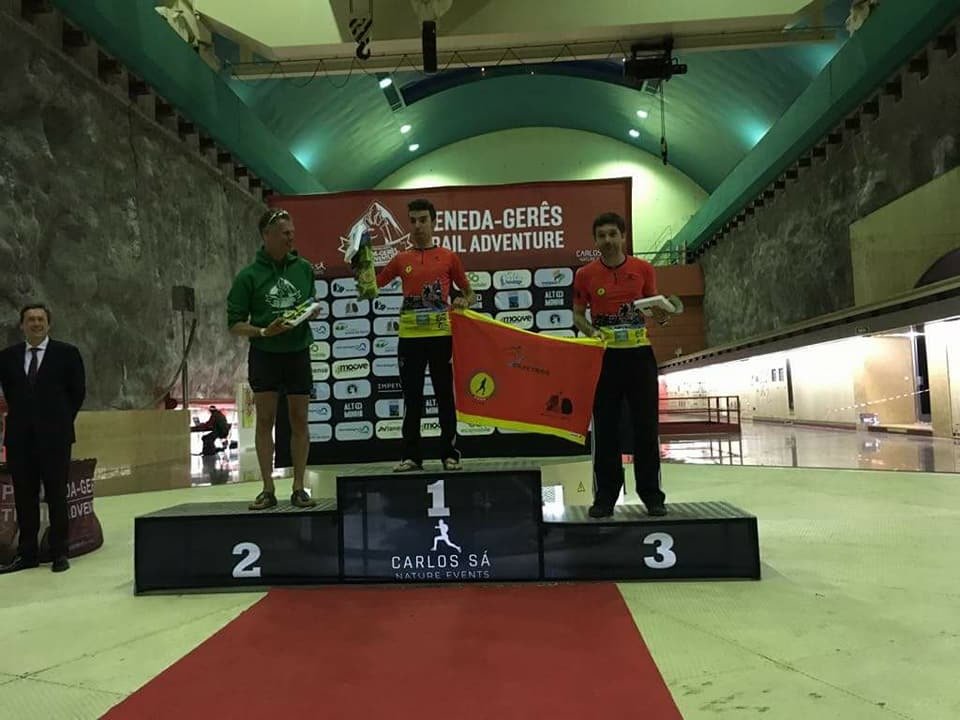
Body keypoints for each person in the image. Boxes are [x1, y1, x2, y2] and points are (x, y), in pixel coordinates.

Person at [573, 212, 668, 518]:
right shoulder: (585, 274)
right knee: (606, 428)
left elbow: (655, 308)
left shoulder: (643, 269)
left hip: (640, 356)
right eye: (602, 236)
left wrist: (663, 314)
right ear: (595, 241)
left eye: (613, 234)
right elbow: (577, 315)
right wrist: (592, 332)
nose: (608, 240)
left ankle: (652, 496)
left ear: (623, 237)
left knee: (646, 426)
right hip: (604, 359)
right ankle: (605, 497)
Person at [227, 208, 318, 511]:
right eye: (285, 233)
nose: (291, 238)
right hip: (265, 355)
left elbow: (308, 302)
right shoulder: (248, 276)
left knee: (299, 419)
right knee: (265, 420)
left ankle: (299, 487)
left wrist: (310, 312)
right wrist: (264, 331)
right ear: (267, 235)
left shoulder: (303, 269)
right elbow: (234, 324)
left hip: (298, 352)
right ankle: (267, 489)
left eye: (292, 232)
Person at [375, 199, 474, 472]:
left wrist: (463, 301)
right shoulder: (400, 259)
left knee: (444, 395)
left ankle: (449, 455)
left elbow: (470, 293)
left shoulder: (449, 256)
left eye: (423, 220)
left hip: (441, 336)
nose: (417, 226)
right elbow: (372, 287)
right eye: (413, 221)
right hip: (409, 339)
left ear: (434, 222)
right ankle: (411, 457)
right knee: (412, 398)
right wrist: (359, 267)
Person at [0, 304, 85, 574]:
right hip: (19, 439)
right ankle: (27, 553)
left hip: (55, 438)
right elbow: (9, 394)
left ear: (48, 324)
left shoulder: (67, 354)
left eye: (40, 319)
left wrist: (59, 421)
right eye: (30, 320)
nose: (35, 323)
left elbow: (77, 393)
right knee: (24, 497)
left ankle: (59, 552)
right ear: (22, 325)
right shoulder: (7, 357)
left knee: (56, 494)